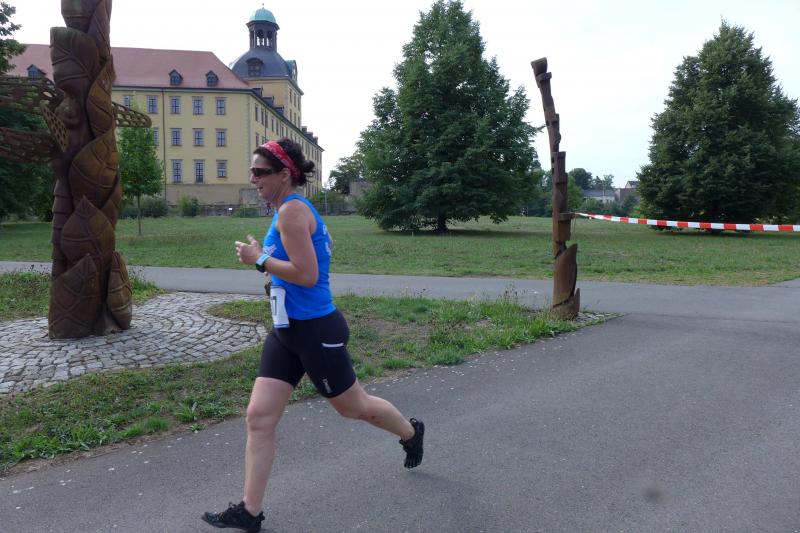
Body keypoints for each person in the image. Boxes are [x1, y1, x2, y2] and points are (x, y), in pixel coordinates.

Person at [202, 138, 425, 532]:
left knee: (353, 407)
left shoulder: (291, 212)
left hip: (316, 330)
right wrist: (265, 256)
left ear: (284, 174)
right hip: (286, 330)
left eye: (259, 172)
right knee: (259, 417)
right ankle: (250, 512)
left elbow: (307, 275)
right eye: (252, 171)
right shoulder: (287, 211)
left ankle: (410, 432)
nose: (252, 178)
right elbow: (313, 249)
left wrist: (259, 259)